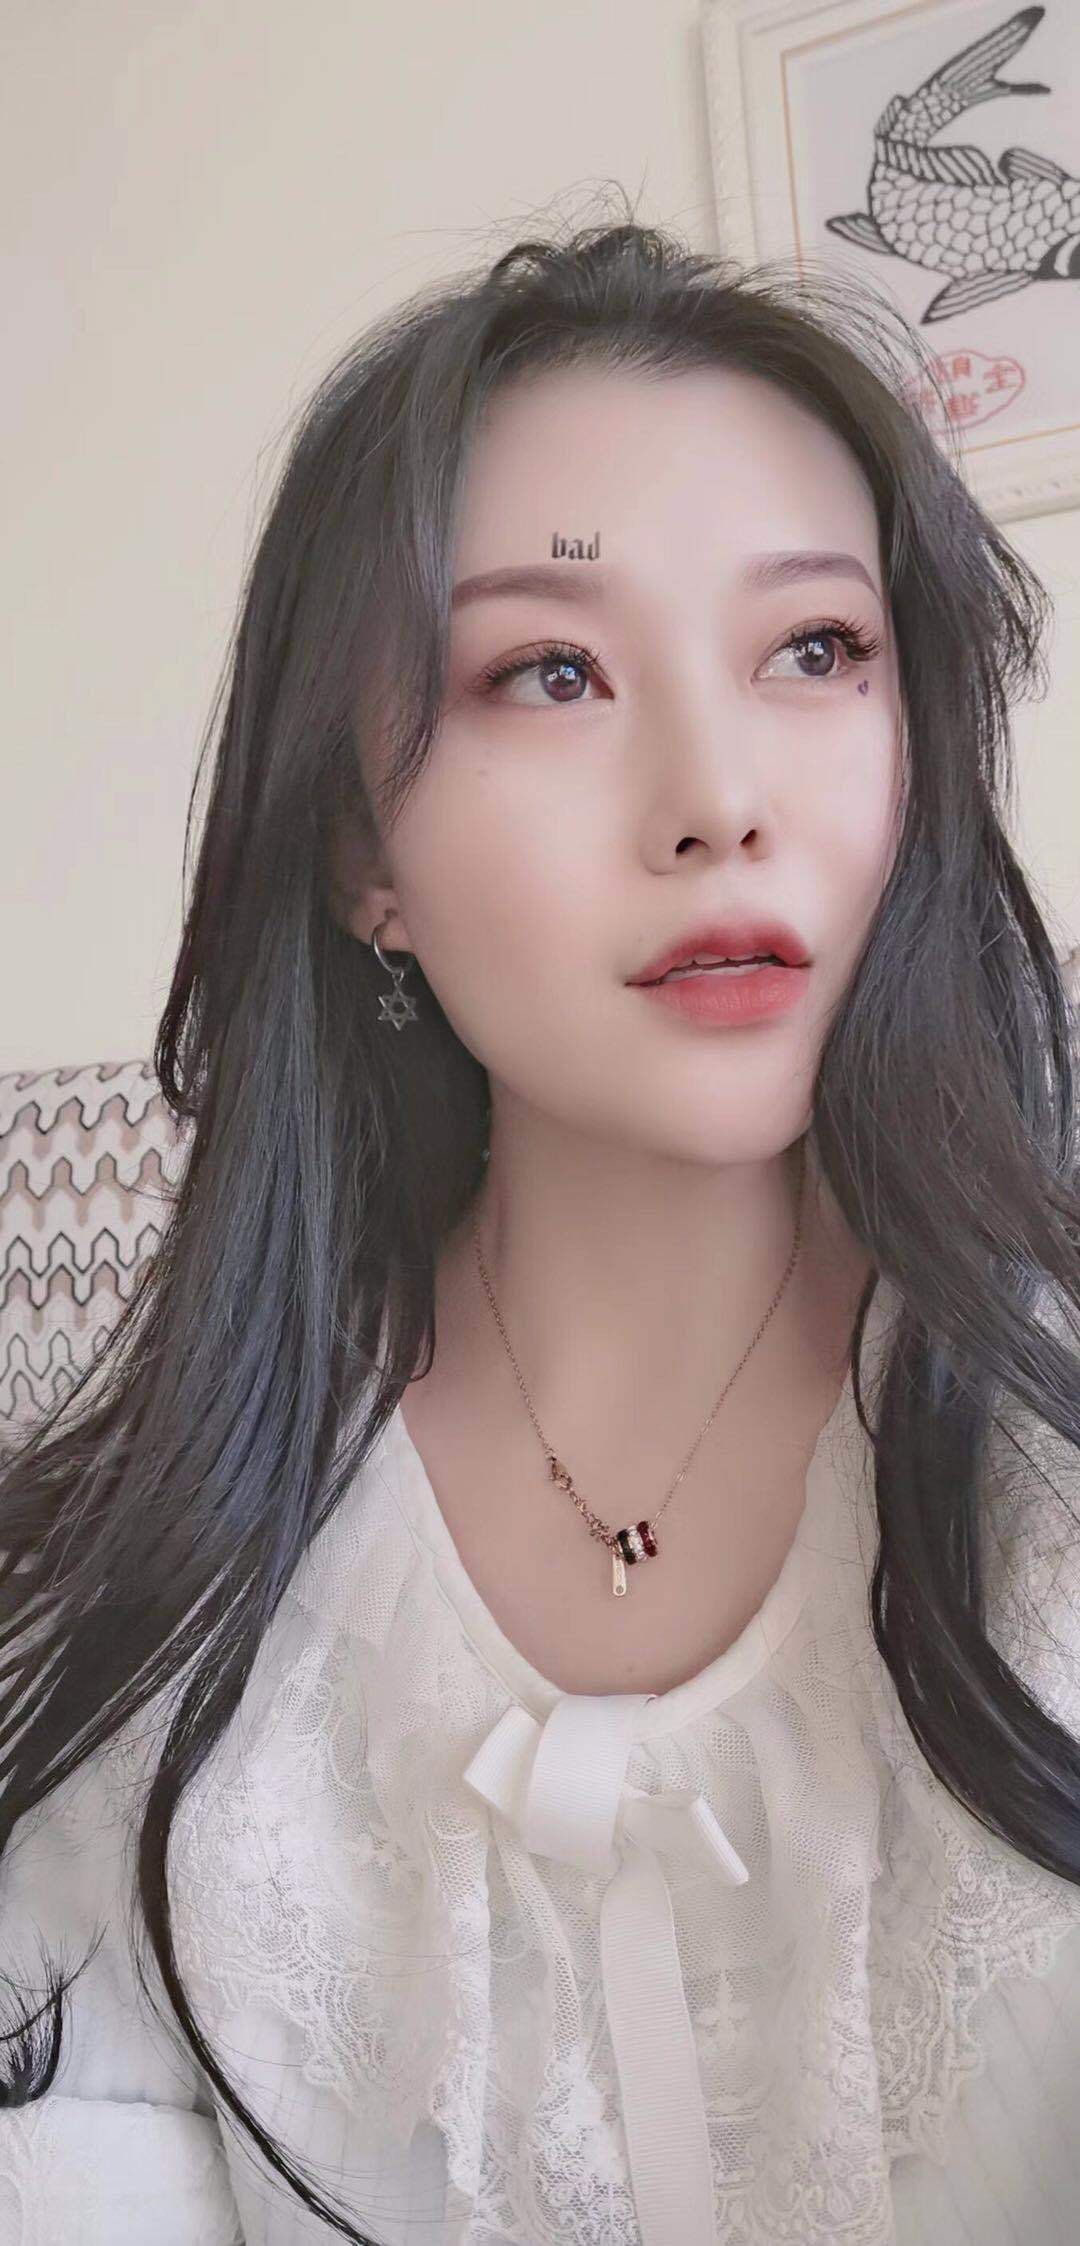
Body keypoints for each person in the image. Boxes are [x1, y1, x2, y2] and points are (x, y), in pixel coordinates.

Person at [2, 196, 1080, 2246]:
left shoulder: (1046, 1461)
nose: (719, 797)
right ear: (360, 852)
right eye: (553, 669)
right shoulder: (164, 1594)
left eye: (817, 650)